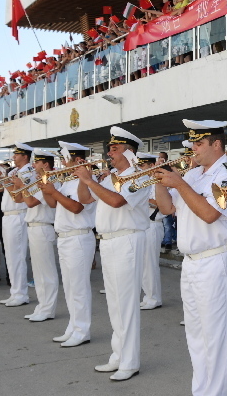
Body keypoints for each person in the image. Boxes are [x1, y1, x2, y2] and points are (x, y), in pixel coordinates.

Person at [153, 119, 227, 396]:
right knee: (196, 335)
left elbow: (209, 214)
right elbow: (167, 208)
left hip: (217, 259)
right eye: (193, 142)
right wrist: (159, 179)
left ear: (216, 144)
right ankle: (202, 390)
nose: (193, 148)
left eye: (199, 143)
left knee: (215, 336)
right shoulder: (194, 175)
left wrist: (178, 182)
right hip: (192, 262)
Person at [79, 127, 150, 381]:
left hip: (127, 239)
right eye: (109, 148)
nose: (109, 153)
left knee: (126, 304)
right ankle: (118, 355)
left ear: (129, 151)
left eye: (115, 148)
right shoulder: (111, 176)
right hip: (109, 241)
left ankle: (130, 361)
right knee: (114, 303)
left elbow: (118, 202)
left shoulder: (139, 176)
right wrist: (83, 178)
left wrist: (89, 180)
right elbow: (85, 199)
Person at [43, 141, 97, 348]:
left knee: (79, 287)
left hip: (79, 237)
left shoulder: (84, 181)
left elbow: (77, 208)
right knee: (69, 286)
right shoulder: (67, 182)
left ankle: (82, 330)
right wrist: (48, 189)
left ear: (78, 160)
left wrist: (53, 192)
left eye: (65, 159)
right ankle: (73, 326)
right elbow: (53, 204)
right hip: (66, 237)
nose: (62, 163)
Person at [12, 149, 59, 322]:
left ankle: (48, 308)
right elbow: (18, 200)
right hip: (33, 226)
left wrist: (22, 185)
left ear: (45, 164)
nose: (33, 165)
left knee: (46, 271)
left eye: (37, 162)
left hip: (43, 226)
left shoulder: (50, 180)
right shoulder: (38, 180)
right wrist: (17, 185)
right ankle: (42, 306)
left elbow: (31, 202)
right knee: (38, 272)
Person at [0, 143, 33, 307]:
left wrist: (9, 182)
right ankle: (15, 292)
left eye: (16, 155)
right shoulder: (13, 172)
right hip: (8, 216)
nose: (13, 157)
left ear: (25, 156)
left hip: (18, 215)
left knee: (17, 256)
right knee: (10, 256)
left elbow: (17, 195)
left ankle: (21, 293)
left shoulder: (28, 172)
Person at [138, 152, 164, 309]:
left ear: (151, 165)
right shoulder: (142, 181)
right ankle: (148, 296)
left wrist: (141, 198)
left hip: (153, 224)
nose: (140, 169)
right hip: (143, 224)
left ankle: (154, 298)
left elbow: (160, 203)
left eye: (142, 165)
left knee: (150, 264)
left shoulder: (156, 182)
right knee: (143, 265)